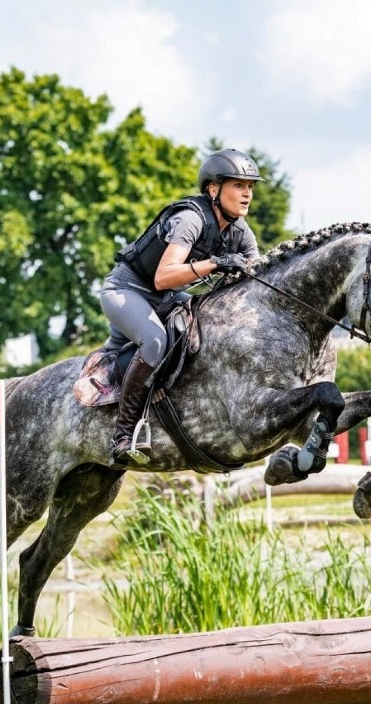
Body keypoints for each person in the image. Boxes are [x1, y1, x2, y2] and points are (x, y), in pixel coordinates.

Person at [100, 147, 264, 466]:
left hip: (167, 297)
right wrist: (214, 264)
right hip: (128, 290)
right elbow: (163, 277)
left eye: (251, 187)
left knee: (210, 328)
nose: (247, 195)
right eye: (239, 186)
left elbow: (256, 278)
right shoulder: (190, 218)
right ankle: (124, 434)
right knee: (155, 340)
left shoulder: (242, 233)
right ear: (213, 189)